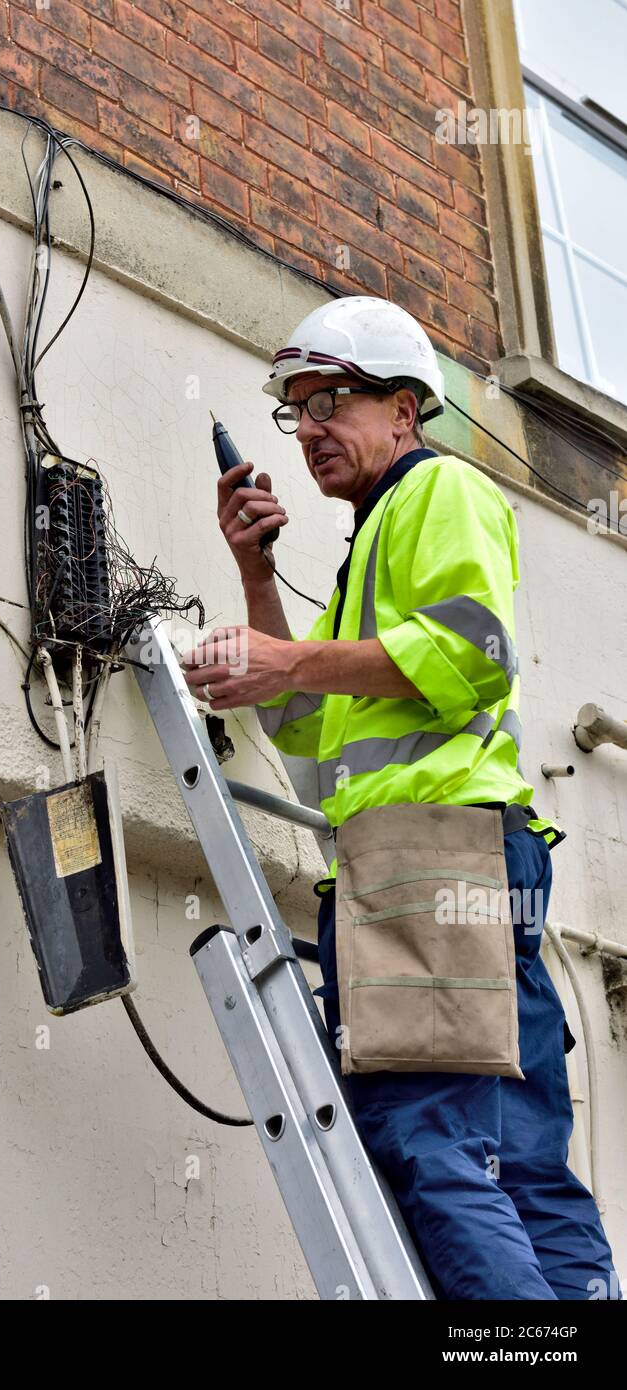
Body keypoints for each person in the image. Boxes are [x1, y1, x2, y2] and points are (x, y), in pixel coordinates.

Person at [181, 295, 621, 1301]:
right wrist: (257, 578)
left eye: (333, 398)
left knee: (428, 1135)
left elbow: (473, 656)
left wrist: (286, 652)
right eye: (297, 412)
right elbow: (302, 730)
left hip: (426, 861)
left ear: (405, 409)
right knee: (522, 1166)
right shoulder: (367, 553)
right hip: (465, 858)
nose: (313, 429)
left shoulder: (439, 493)